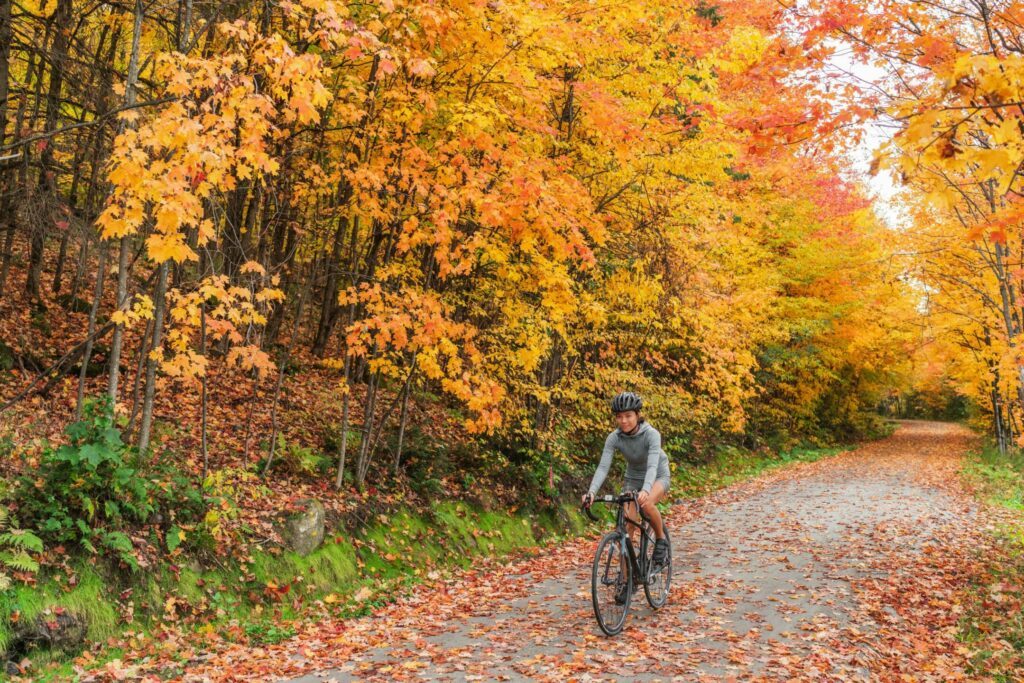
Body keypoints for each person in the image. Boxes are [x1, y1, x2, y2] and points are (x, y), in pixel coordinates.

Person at [581, 391, 671, 604]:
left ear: (638, 414)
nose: (624, 421)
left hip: (657, 475)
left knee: (646, 504)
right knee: (626, 530)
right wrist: (592, 492)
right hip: (632, 479)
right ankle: (626, 579)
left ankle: (660, 539)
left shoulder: (651, 434)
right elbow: (603, 467)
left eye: (628, 415)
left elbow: (651, 466)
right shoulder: (614, 438)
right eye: (619, 416)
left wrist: (646, 490)